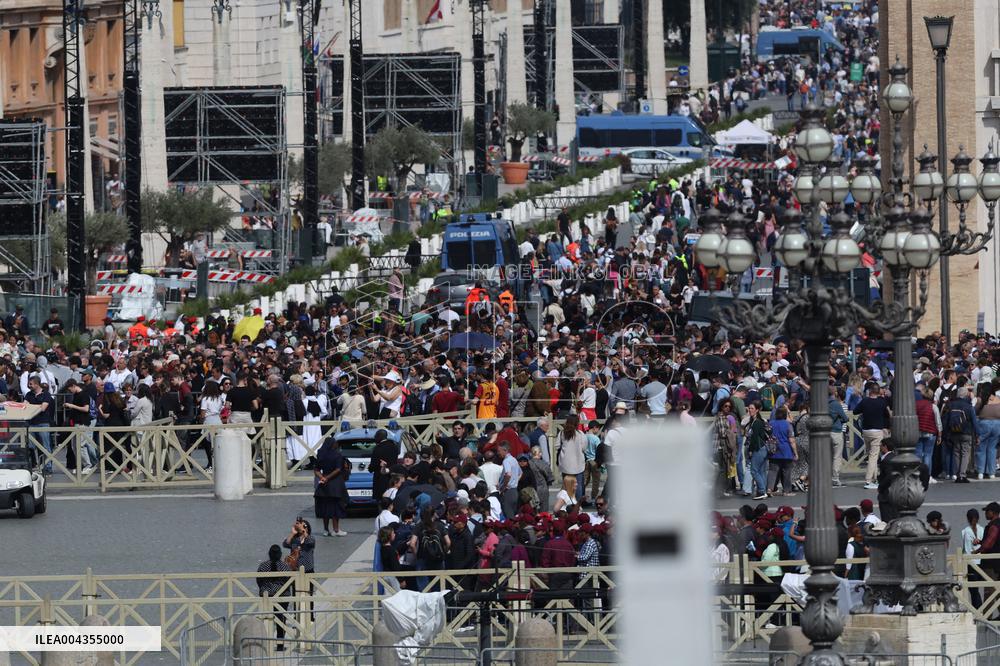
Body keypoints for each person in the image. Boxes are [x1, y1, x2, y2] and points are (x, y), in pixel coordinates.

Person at [853, 383, 891, 490]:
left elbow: (855, 411)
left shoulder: (865, 401)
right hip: (877, 430)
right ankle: (868, 480)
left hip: (866, 431)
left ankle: (874, 479)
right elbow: (887, 415)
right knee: (874, 456)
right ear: (878, 391)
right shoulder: (882, 402)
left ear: (870, 391)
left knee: (871, 455)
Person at [256, 544, 292, 651]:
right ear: (280, 554)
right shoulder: (285, 566)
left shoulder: (262, 566)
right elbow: (289, 581)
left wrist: (264, 589)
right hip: (282, 596)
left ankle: (266, 643)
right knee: (281, 619)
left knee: (266, 618)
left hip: (266, 595)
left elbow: (259, 581)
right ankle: (280, 645)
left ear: (269, 554)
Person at [314, 436, 349, 537]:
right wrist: (328, 478)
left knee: (325, 508)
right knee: (336, 507)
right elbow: (338, 469)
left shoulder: (320, 454)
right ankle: (336, 530)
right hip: (335, 483)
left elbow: (316, 469)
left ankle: (326, 530)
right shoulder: (337, 455)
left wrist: (322, 477)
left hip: (324, 485)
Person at [766, 406, 798, 497]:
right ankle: (787, 490)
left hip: (774, 449)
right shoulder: (788, 424)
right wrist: (795, 453)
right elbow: (791, 440)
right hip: (786, 450)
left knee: (772, 470)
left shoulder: (771, 423)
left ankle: (769, 488)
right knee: (786, 471)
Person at [556, 414, 587, 502]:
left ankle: (567, 503)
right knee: (578, 485)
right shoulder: (580, 434)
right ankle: (577, 505)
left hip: (565, 464)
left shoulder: (562, 433)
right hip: (578, 463)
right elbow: (584, 448)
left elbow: (557, 446)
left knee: (566, 485)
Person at [744, 402, 769, 501]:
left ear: (757, 410)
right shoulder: (756, 421)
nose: (750, 410)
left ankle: (762, 491)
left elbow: (754, 438)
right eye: (749, 408)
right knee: (761, 471)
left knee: (754, 471)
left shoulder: (757, 422)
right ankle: (762, 491)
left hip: (758, 448)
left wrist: (750, 450)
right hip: (763, 448)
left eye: (752, 408)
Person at [964, 508, 986, 609]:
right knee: (980, 589)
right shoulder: (983, 530)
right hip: (981, 563)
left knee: (974, 590)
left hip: (972, 563)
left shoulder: (966, 531)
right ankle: (981, 610)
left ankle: (978, 610)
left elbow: (966, 549)